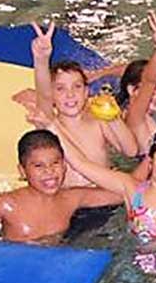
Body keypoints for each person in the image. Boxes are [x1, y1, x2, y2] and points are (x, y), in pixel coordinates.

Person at [39, 115, 156, 274]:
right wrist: (52, 126)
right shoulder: (132, 190)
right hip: (145, 269)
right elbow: (81, 164)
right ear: (150, 161)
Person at [0, 130, 119, 270]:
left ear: (65, 166)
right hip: (13, 265)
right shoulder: (7, 204)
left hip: (54, 261)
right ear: (22, 171)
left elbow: (122, 194)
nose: (49, 171)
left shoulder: (71, 198)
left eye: (55, 163)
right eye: (38, 166)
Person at [30, 21, 137, 187]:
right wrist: (41, 60)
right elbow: (43, 94)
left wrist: (114, 118)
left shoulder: (99, 122)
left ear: (87, 92)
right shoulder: (50, 124)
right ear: (52, 96)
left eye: (77, 86)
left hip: (103, 196)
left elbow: (131, 151)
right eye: (60, 89)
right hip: (69, 202)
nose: (70, 94)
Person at [121, 11, 156, 155]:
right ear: (132, 90)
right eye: (155, 89)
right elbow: (149, 81)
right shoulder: (134, 116)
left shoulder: (154, 118)